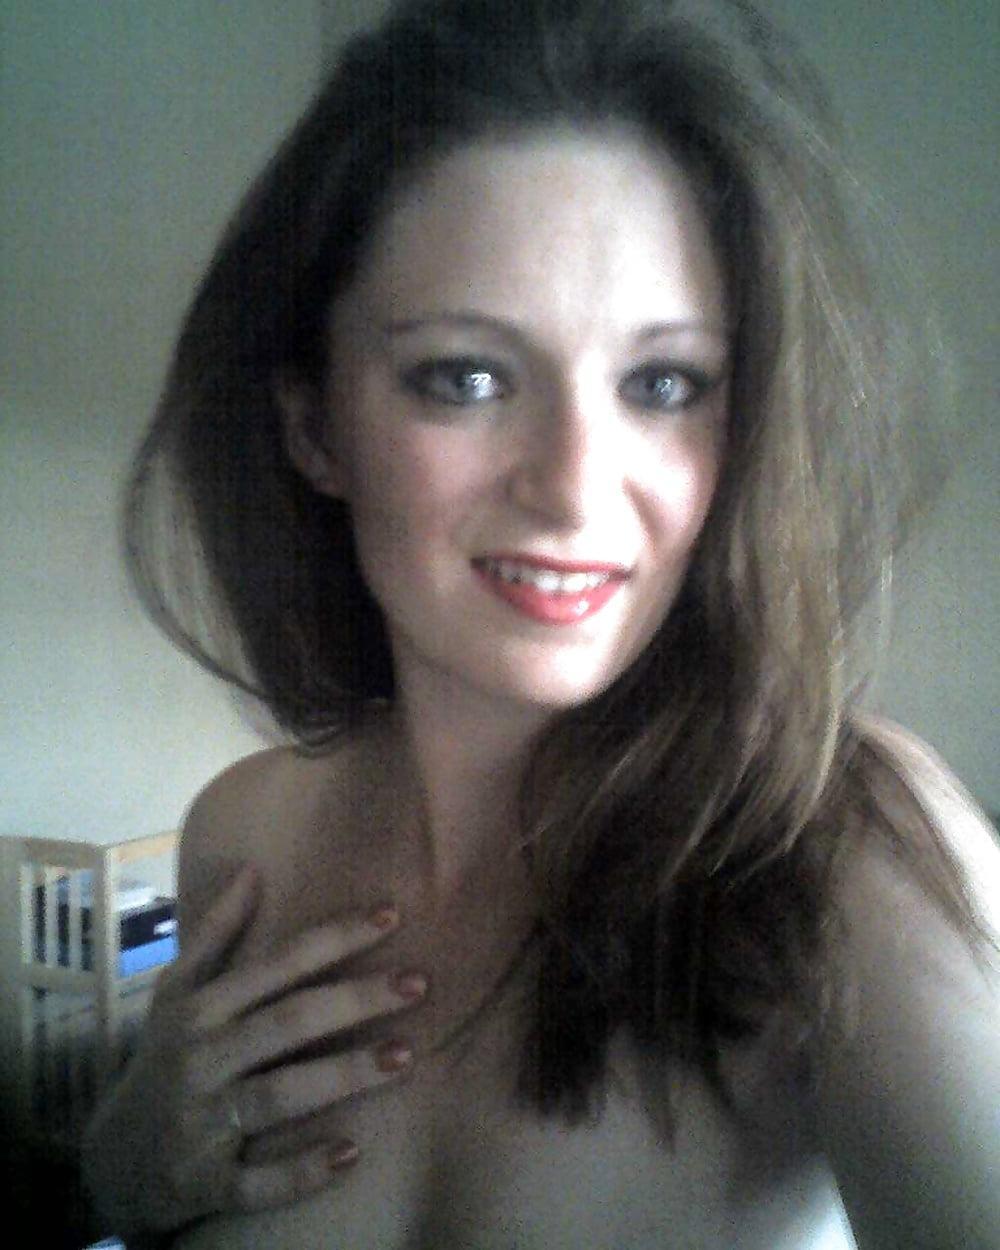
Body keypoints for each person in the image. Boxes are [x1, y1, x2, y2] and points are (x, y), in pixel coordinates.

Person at [81, 0, 999, 1246]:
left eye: (663, 384)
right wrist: (123, 1184)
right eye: (465, 377)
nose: (573, 486)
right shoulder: (240, 839)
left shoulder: (848, 856)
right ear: (314, 424)